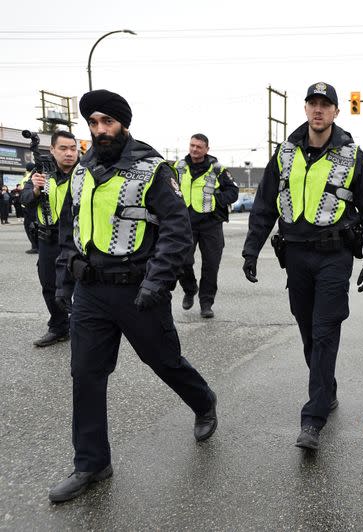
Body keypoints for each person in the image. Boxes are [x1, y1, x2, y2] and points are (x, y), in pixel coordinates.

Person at [49, 89, 218, 503]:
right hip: (91, 291)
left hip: (139, 289)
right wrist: (64, 282)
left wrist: (156, 283)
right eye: (93, 123)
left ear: (123, 123)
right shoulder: (83, 170)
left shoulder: (152, 168)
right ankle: (91, 462)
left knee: (164, 361)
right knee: (86, 375)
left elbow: (177, 231)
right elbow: (71, 230)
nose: (100, 130)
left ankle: (204, 401)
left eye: (107, 122)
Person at [242, 82, 363, 450]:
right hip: (297, 257)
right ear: (305, 109)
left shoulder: (353, 155)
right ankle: (327, 388)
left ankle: (313, 417)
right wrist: (250, 250)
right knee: (308, 330)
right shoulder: (285, 153)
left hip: (334, 257)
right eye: (313, 104)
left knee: (324, 331)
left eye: (326, 105)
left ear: (336, 112)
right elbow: (264, 204)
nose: (318, 110)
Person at [21, 130, 77, 347]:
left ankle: (83, 325)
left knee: (82, 285)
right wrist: (35, 189)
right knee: (50, 285)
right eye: (63, 148)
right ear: (52, 150)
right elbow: (25, 200)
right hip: (48, 239)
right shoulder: (40, 172)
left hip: (77, 240)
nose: (69, 153)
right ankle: (59, 327)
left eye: (73, 148)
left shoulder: (85, 173)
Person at [174, 133, 239, 318]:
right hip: (185, 223)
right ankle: (189, 288)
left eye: (199, 147)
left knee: (211, 266)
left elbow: (233, 191)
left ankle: (206, 303)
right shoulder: (178, 167)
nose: (195, 149)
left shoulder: (217, 169)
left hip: (211, 224)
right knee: (182, 261)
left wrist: (215, 200)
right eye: (192, 145)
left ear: (206, 149)